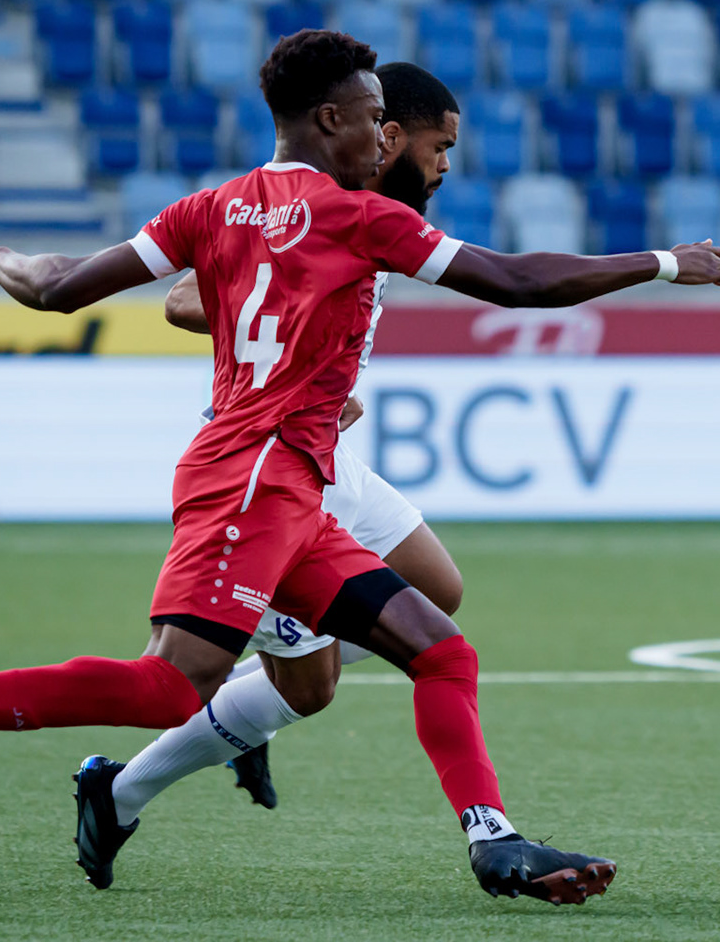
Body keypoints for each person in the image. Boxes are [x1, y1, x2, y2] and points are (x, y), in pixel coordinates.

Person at [0, 31, 720, 907]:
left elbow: (58, 287)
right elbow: (517, 283)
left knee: (441, 647)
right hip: (250, 477)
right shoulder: (360, 216)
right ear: (331, 121)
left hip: (290, 486)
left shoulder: (209, 208)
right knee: (167, 688)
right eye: (375, 116)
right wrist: (661, 262)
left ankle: (494, 841)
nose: (385, 133)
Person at [120, 60, 465, 822]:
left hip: (329, 450)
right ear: (390, 135)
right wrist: (299, 353)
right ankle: (120, 786)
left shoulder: (375, 205)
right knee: (308, 687)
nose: (445, 167)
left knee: (438, 592)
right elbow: (181, 299)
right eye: (438, 148)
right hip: (280, 459)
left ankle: (248, 690)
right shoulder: (323, 203)